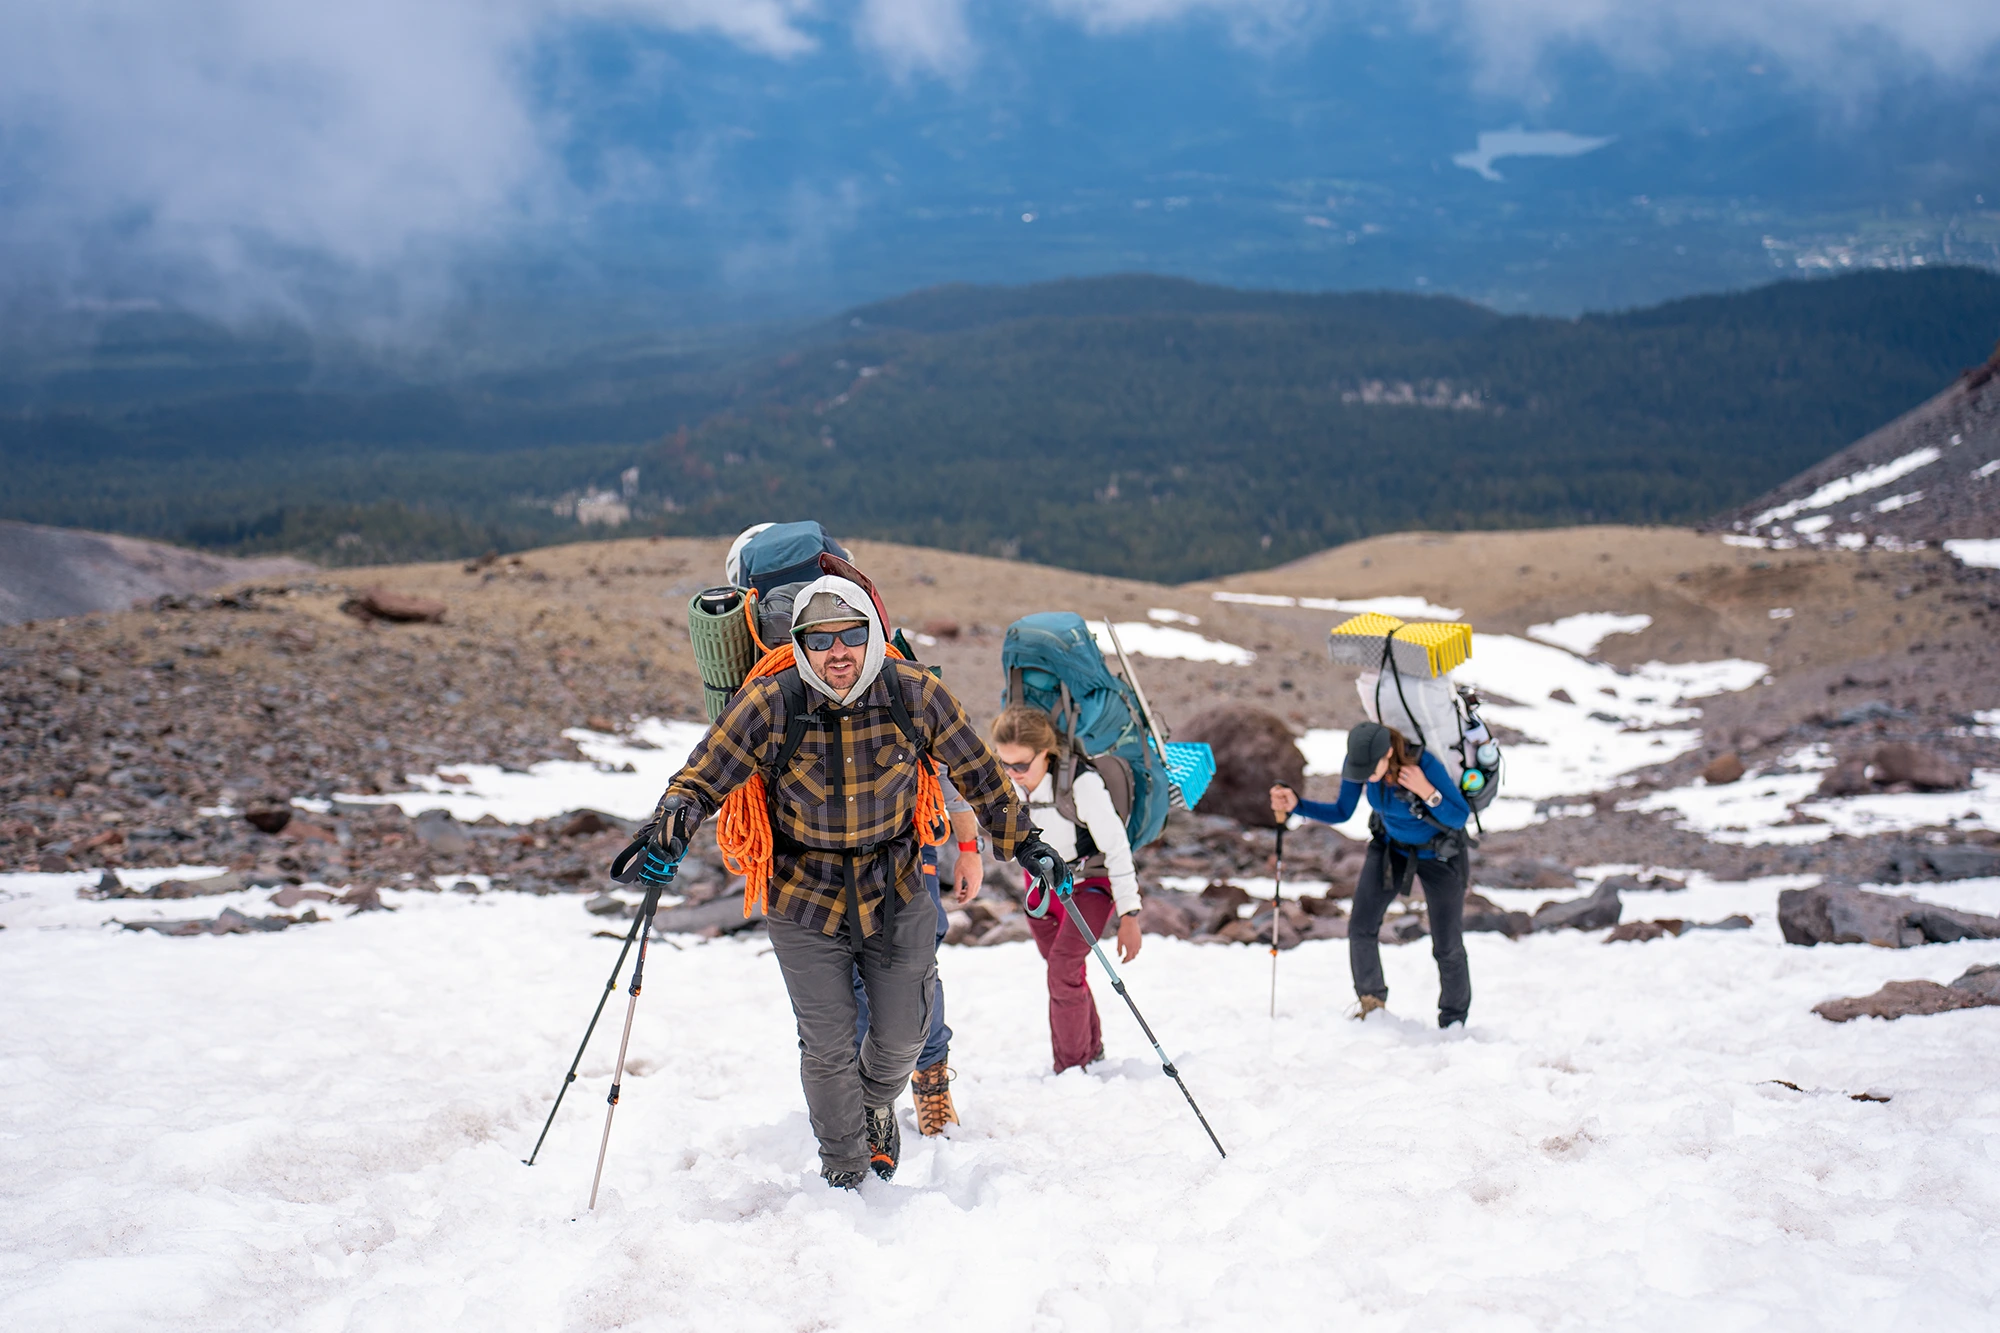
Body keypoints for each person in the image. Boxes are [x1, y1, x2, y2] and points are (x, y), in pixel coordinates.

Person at [638, 574, 1066, 1188]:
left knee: (901, 1037)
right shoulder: (771, 700)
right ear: (802, 647)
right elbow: (703, 774)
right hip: (801, 892)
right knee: (829, 1046)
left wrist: (1026, 842)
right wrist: (673, 819)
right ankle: (844, 1172)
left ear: (872, 635)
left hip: (895, 882)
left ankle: (871, 1106)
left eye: (851, 635)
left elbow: (978, 771)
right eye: (821, 640)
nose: (838, 652)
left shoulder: (914, 694)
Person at [1270, 720, 1473, 1028]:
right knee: (1361, 926)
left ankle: (1454, 1021)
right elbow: (1342, 811)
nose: (1364, 775)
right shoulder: (1359, 764)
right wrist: (1297, 805)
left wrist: (1427, 791)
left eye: (1370, 769)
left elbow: (1458, 817)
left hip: (1440, 855)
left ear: (1389, 753)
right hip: (1391, 850)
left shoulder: (1423, 765)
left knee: (1447, 944)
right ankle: (1372, 1004)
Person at [990, 704, 1144, 1073]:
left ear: (1046, 753)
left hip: (1090, 884)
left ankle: (1073, 1068)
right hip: (1040, 887)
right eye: (1003, 764)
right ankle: (1091, 1050)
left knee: (1061, 968)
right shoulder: (1012, 783)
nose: (1012, 774)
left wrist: (1130, 914)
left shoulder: (1082, 784)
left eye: (1021, 766)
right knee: (1064, 971)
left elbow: (1117, 847)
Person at [853, 768, 980, 1135]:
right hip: (825, 845)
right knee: (847, 971)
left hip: (911, 839)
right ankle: (867, 1096)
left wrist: (969, 849)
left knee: (917, 969)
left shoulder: (918, 708)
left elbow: (948, 768)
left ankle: (931, 1081)